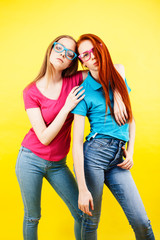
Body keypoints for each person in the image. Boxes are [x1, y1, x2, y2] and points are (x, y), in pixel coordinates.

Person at [15, 35, 126, 240]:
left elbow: (116, 68)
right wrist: (67, 107)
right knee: (33, 217)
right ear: (51, 50)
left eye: (69, 53)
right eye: (59, 48)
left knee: (83, 214)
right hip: (30, 159)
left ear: (72, 61)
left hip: (58, 164)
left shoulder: (74, 80)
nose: (62, 55)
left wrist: (118, 96)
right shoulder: (30, 92)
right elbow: (44, 137)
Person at [72, 34, 155, 240]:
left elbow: (130, 120)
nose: (91, 56)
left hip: (119, 157)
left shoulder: (119, 78)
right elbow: (76, 143)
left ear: (101, 47)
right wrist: (82, 188)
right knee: (91, 221)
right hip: (94, 156)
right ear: (81, 61)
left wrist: (131, 151)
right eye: (85, 54)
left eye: (93, 49)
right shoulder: (83, 92)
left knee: (141, 222)